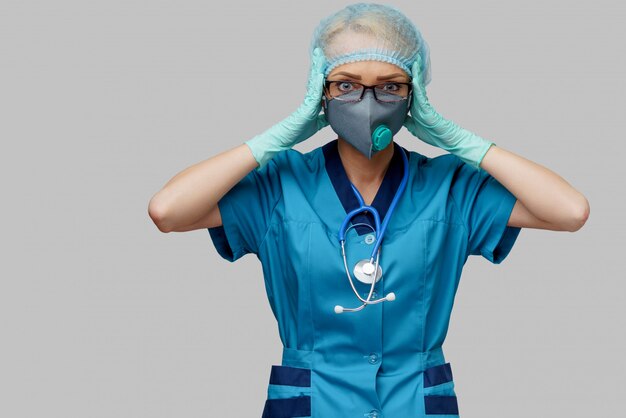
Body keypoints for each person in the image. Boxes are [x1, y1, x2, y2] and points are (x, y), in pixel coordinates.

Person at [148, 3, 590, 417]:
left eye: (390, 87)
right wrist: (277, 138)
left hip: (413, 401)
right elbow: (168, 211)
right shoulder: (280, 184)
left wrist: (461, 142)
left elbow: (570, 211)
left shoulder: (450, 187)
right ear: (319, 91)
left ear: (413, 94)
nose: (369, 103)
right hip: (312, 401)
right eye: (347, 85)